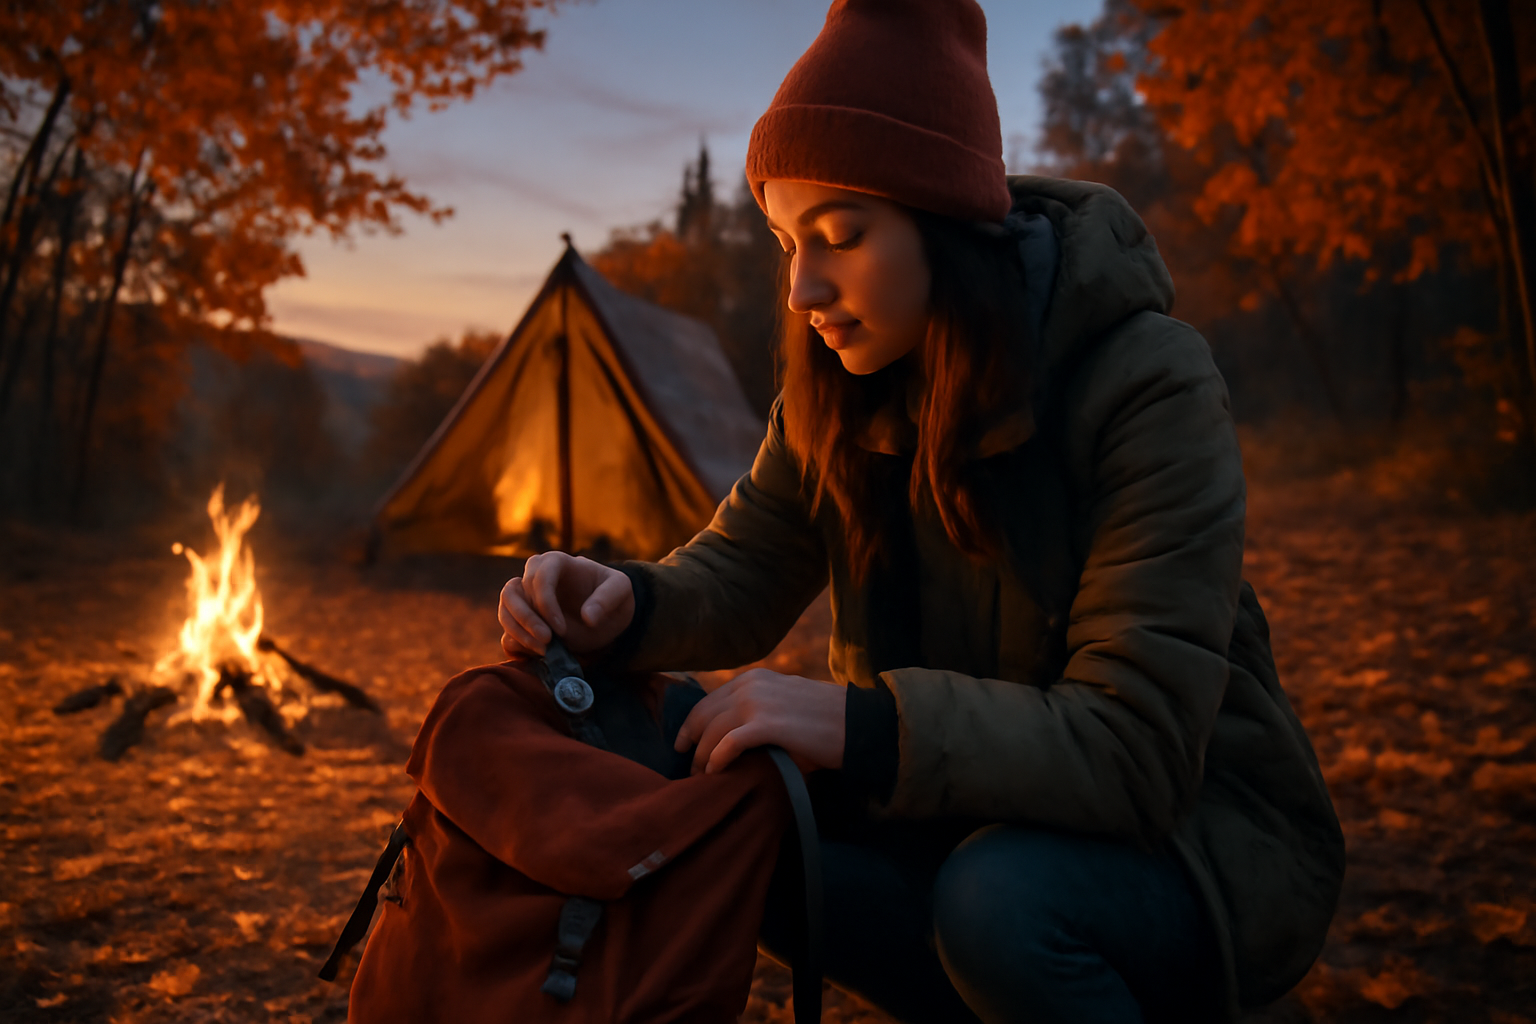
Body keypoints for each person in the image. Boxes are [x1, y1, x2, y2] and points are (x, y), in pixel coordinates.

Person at [497, 1, 1344, 1021]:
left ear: (942, 224)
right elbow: (743, 569)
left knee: (999, 905)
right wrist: (620, 602)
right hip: (952, 813)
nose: (805, 284)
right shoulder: (841, 379)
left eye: (841, 234)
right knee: (706, 794)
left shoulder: (1143, 381)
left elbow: (1137, 750)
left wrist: (865, 726)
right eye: (782, 241)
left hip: (1194, 843)